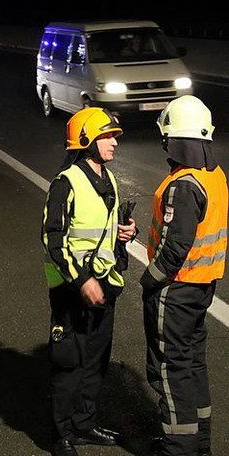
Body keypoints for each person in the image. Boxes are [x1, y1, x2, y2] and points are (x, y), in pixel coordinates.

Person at [41, 107, 137, 456]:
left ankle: (84, 424)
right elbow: (53, 239)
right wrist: (81, 281)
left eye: (113, 136)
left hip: (104, 285)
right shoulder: (65, 182)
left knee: (96, 360)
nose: (114, 143)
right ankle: (61, 434)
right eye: (106, 136)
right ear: (86, 141)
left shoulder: (109, 179)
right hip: (72, 289)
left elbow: (105, 229)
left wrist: (126, 232)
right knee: (70, 362)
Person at [140, 95, 228, 456]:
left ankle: (178, 447)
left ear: (172, 139)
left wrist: (151, 279)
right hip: (203, 287)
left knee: (169, 369)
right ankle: (199, 443)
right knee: (192, 365)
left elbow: (175, 247)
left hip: (175, 291)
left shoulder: (184, 184)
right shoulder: (214, 176)